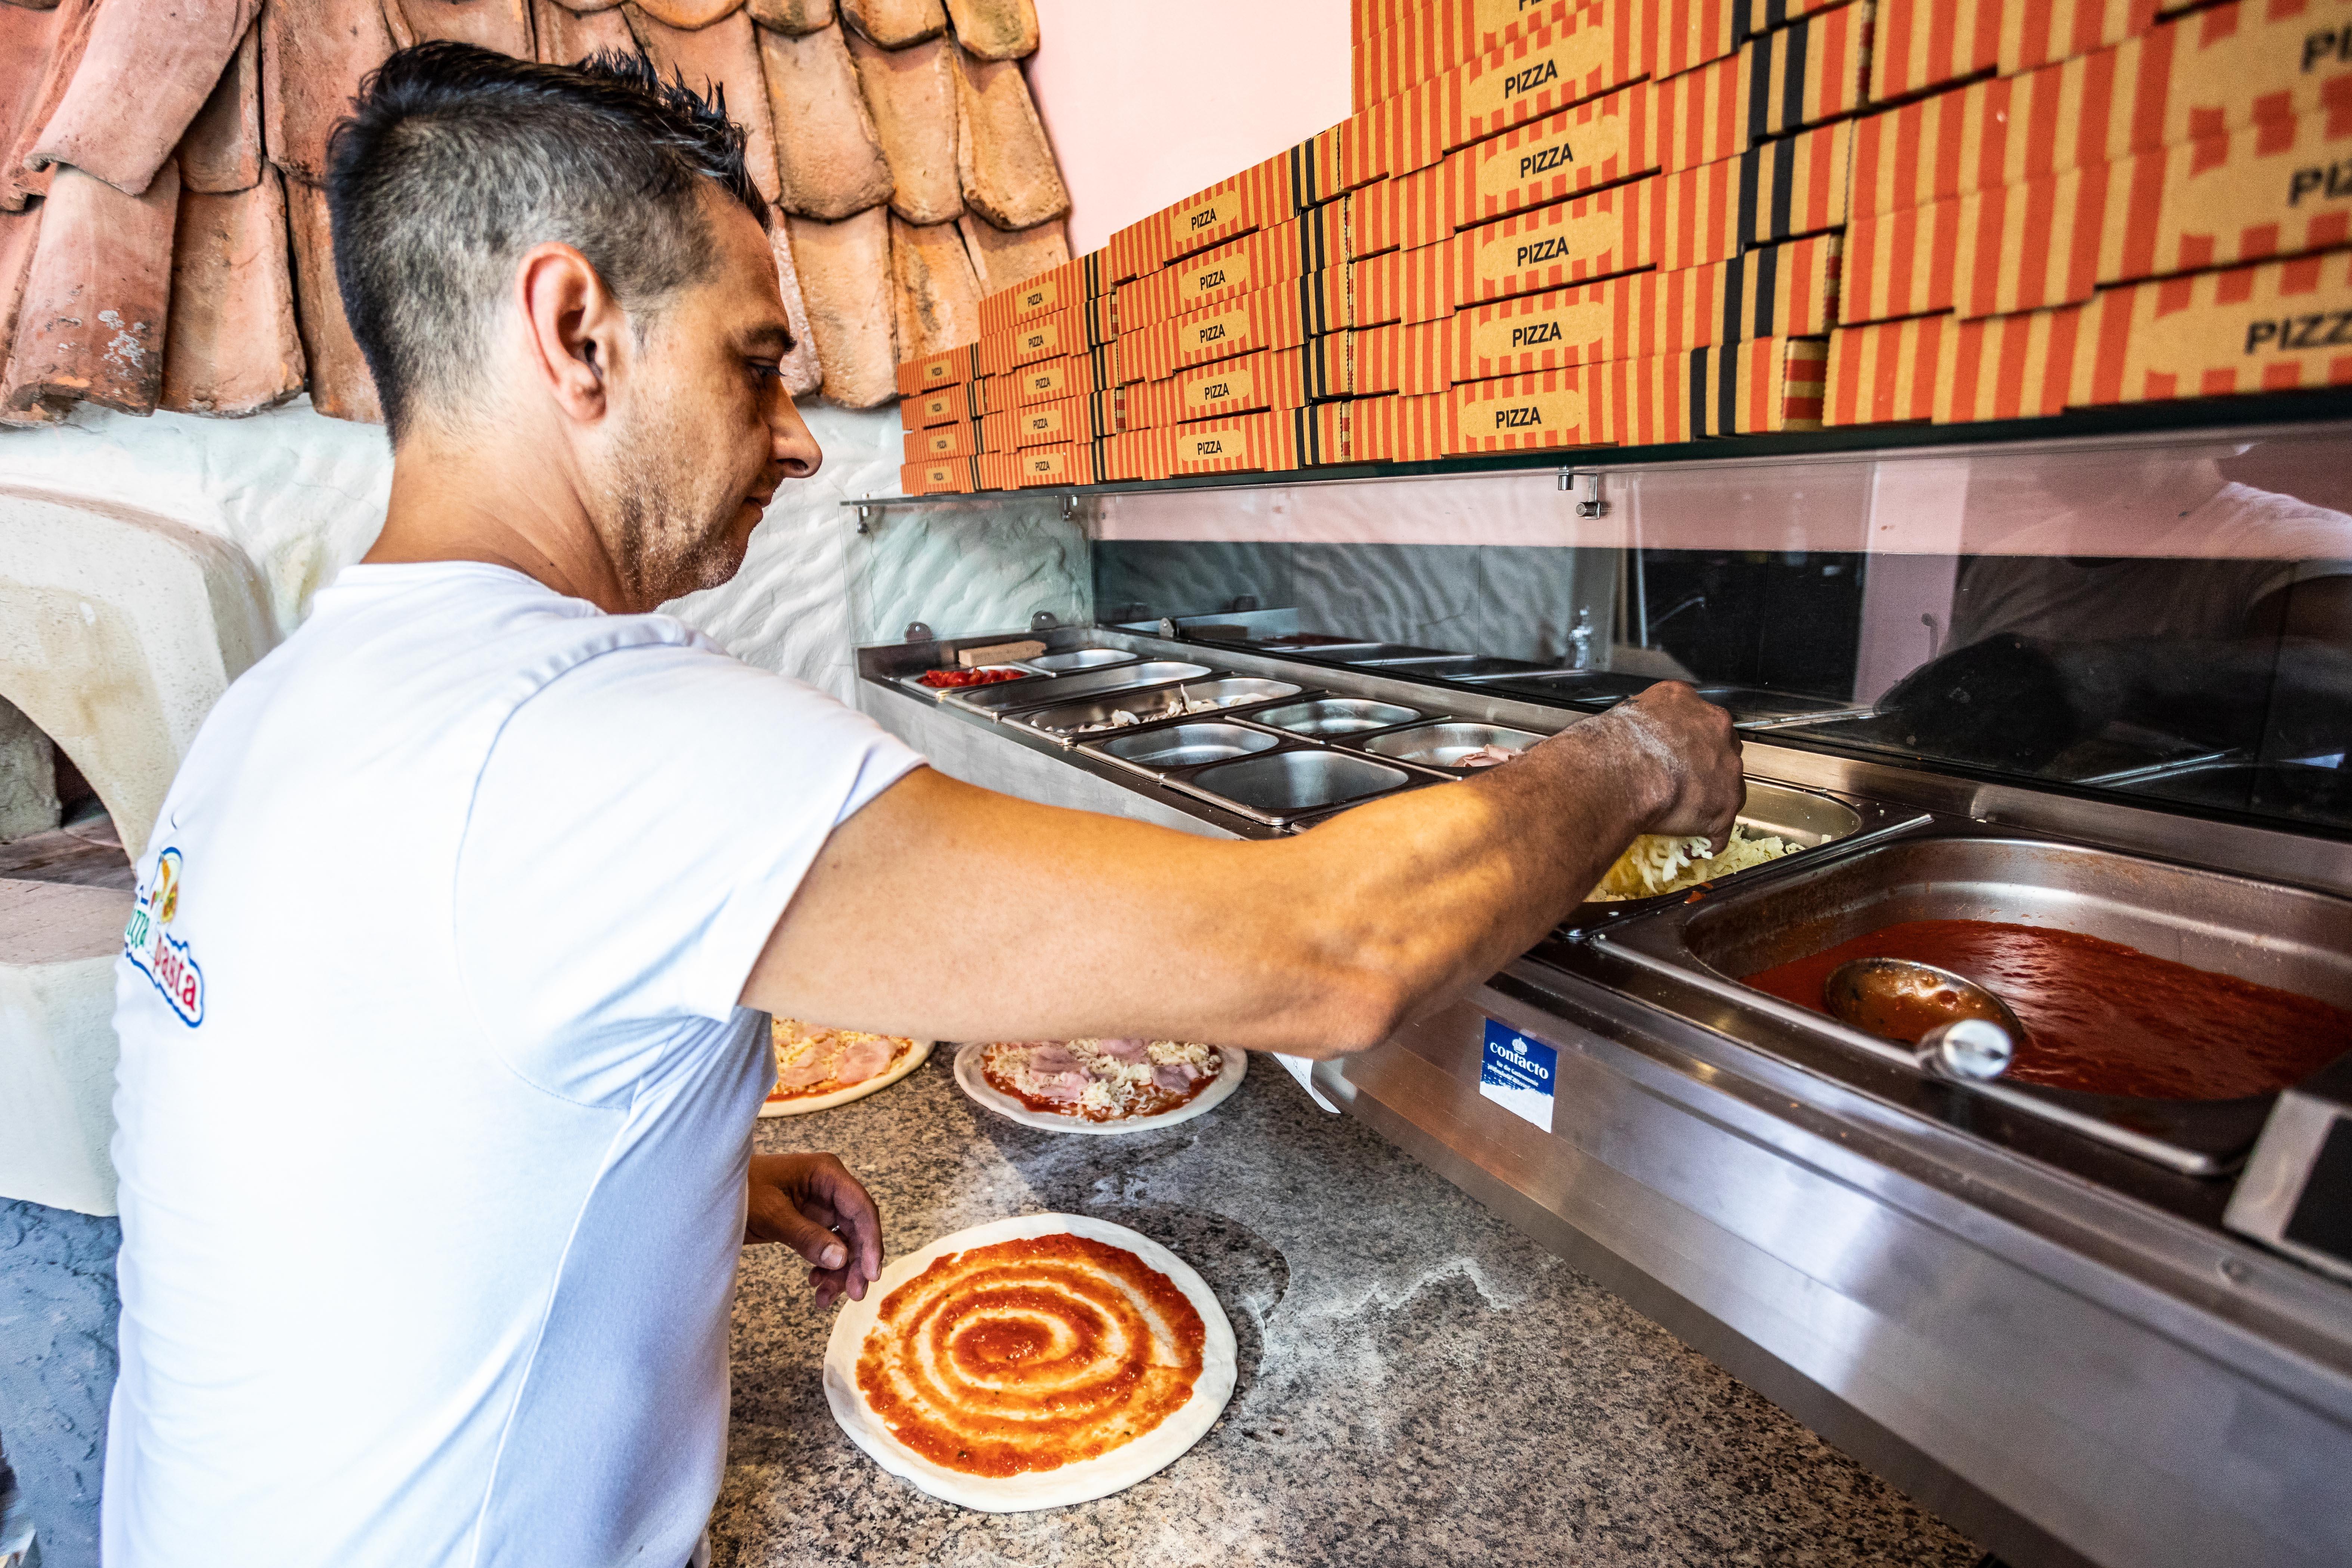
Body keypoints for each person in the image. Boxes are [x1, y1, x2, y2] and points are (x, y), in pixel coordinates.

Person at [102, 43, 1744, 1568]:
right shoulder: (592, 745)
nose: (804, 442)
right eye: (757, 363)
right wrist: (1632, 757)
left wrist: (687, 1186)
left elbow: (358, 1108)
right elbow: (1332, 949)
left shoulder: (279, 713)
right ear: (576, 330)